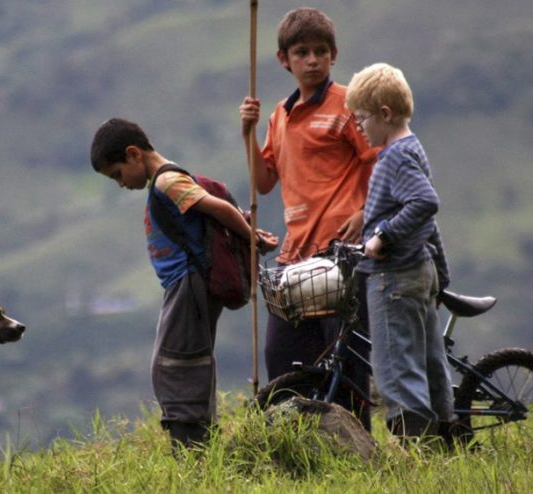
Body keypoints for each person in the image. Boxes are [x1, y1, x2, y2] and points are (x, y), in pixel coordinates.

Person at [90, 118, 279, 450]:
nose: (120, 183)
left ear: (134, 154)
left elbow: (218, 208)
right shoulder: (168, 180)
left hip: (189, 285)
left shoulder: (167, 182)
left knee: (175, 364)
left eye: (117, 174)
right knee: (187, 359)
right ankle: (198, 439)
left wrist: (251, 240)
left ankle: (192, 448)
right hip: (184, 286)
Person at [238, 7, 376, 430]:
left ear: (333, 55)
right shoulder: (279, 115)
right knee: (284, 361)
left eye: (320, 51)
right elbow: (263, 183)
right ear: (284, 60)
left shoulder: (350, 104)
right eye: (302, 52)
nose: (312, 60)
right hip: (296, 257)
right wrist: (248, 133)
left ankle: (358, 448)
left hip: (341, 254)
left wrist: (365, 211)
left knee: (346, 361)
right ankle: (294, 444)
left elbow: (380, 159)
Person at [345, 62, 454, 439]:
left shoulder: (394, 157)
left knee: (396, 366)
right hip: (419, 270)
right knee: (429, 361)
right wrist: (440, 272)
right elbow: (427, 223)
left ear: (384, 114)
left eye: (361, 119)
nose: (358, 127)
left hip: (393, 277)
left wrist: (382, 238)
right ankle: (445, 435)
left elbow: (424, 203)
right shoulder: (413, 147)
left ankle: (415, 449)